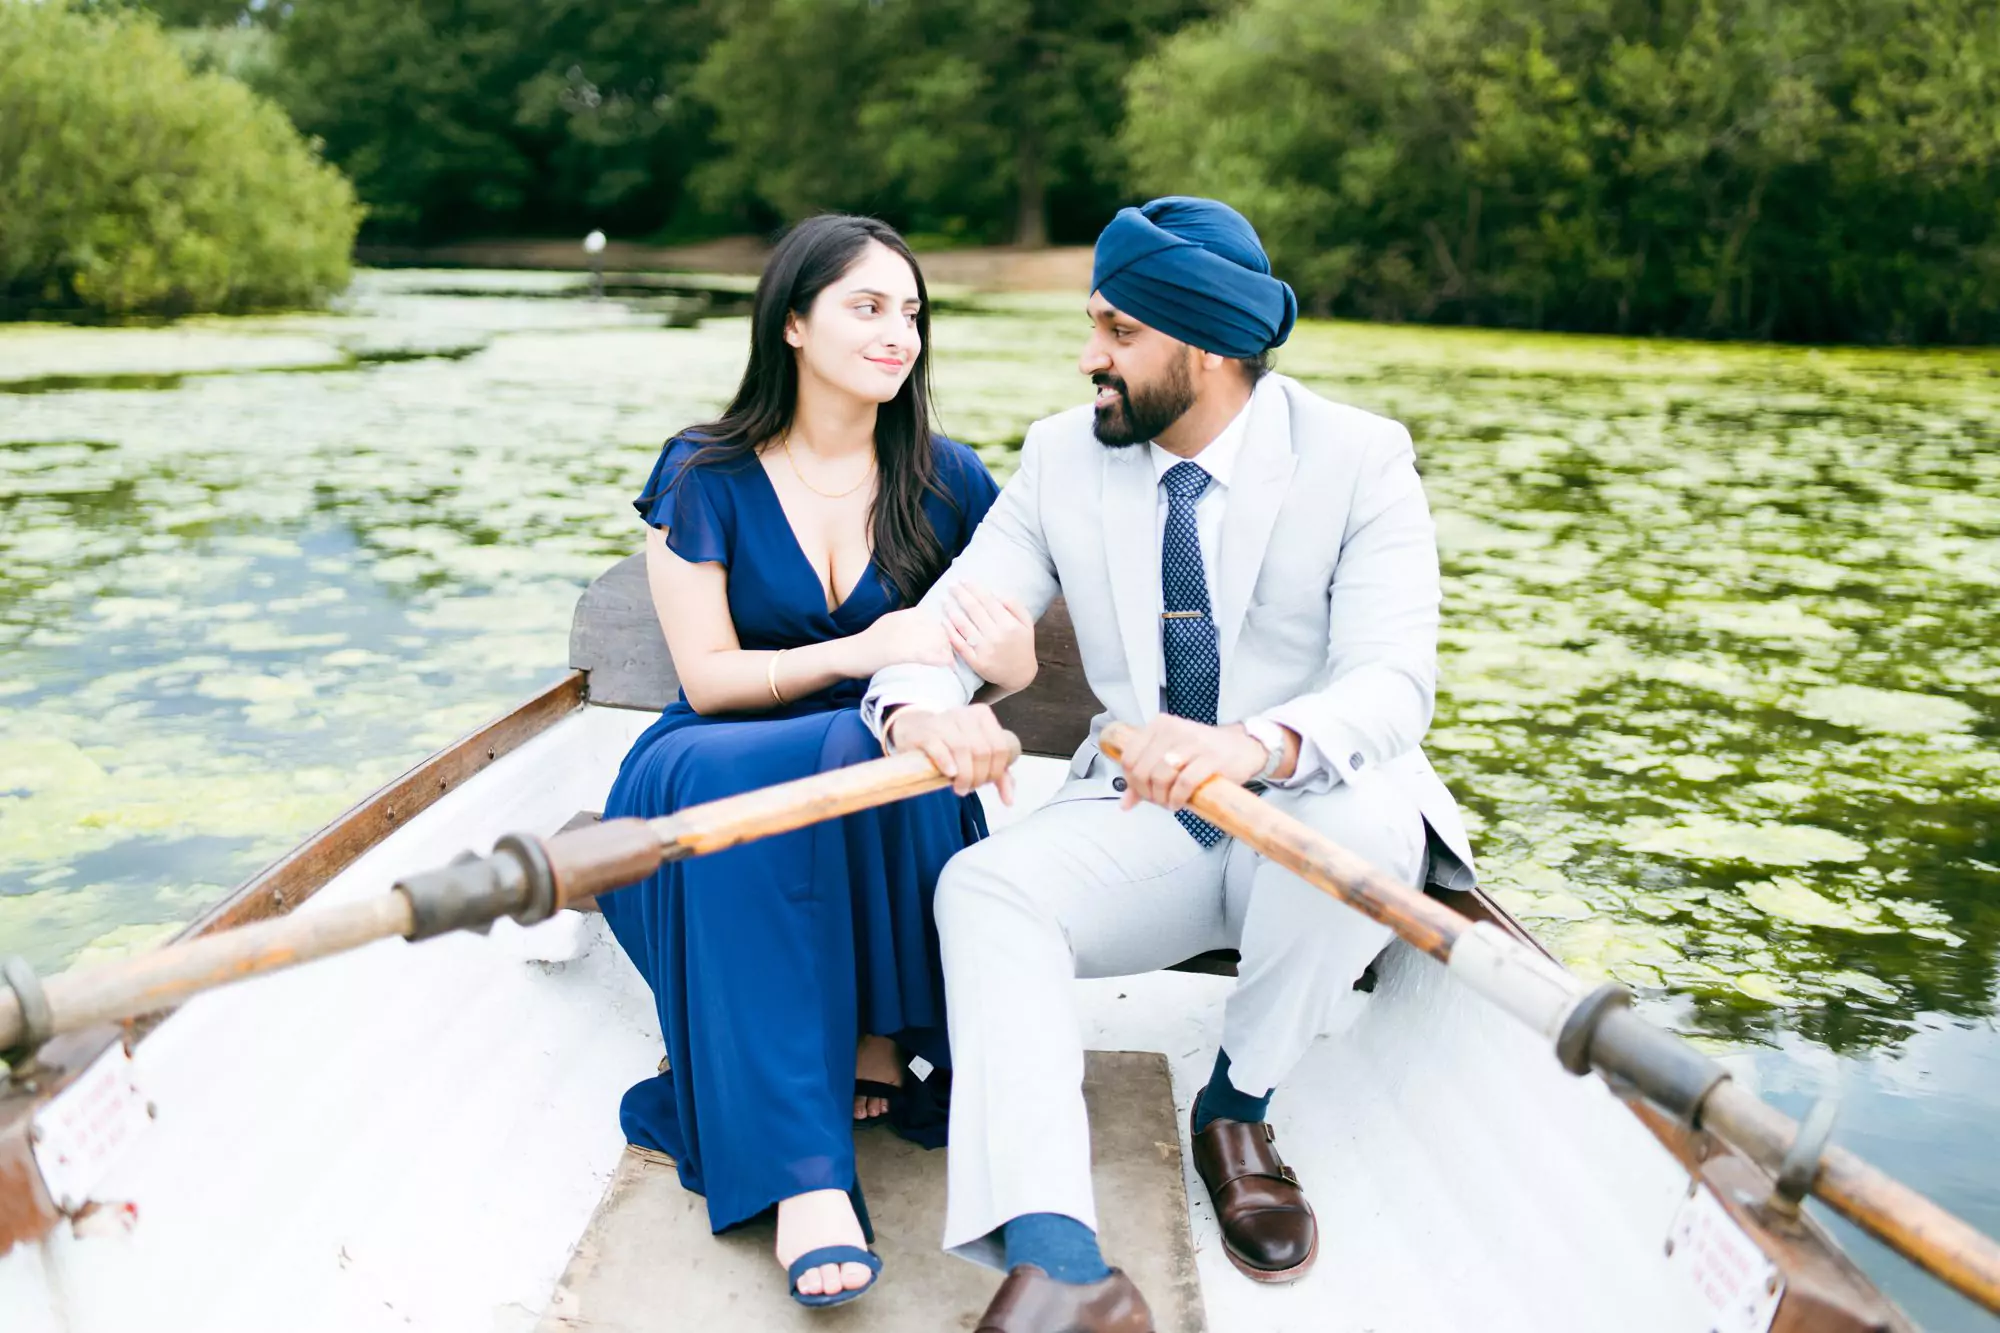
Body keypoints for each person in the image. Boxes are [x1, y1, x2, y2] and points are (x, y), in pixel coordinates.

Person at [860, 196, 1478, 1332]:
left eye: (1119, 332)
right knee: (983, 884)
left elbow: (1393, 686)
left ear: (1206, 346)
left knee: (1368, 831)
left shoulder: (1359, 458)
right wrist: (917, 713)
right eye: (1093, 324)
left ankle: (1235, 1107)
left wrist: (1245, 745)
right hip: (1142, 823)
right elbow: (949, 629)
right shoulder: (1058, 456)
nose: (1089, 356)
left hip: (1305, 814)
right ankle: (1060, 1258)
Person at [596, 214, 1039, 1310]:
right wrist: (865, 651)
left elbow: (1004, 661)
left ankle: (866, 1031)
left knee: (876, 745)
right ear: (792, 322)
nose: (900, 334)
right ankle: (804, 1180)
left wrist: (1012, 663)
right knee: (826, 748)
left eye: (913, 313)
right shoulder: (704, 471)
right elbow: (706, 681)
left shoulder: (950, 480)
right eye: (867, 306)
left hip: (886, 773)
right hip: (710, 758)